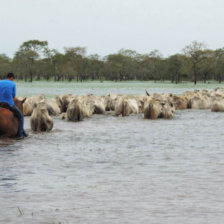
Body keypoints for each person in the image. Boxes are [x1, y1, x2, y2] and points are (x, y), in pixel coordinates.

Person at [0, 72, 28, 139]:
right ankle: (21, 134)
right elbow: (13, 95)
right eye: (13, 79)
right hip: (9, 104)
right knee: (21, 116)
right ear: (12, 78)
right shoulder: (13, 83)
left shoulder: (0, 82)